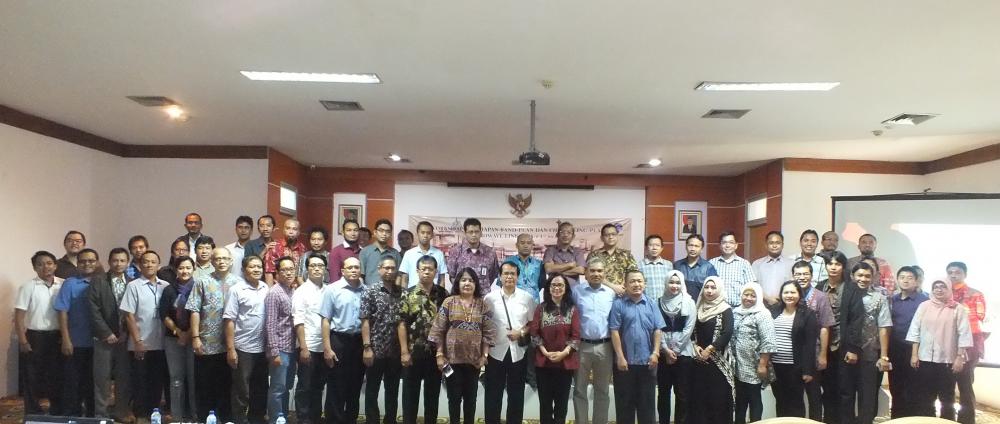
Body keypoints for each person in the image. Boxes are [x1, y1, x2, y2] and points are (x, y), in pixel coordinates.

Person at [428, 268, 496, 424]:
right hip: (451, 361)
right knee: (454, 399)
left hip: (474, 362)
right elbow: (438, 330)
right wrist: (439, 355)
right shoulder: (449, 302)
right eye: (464, 280)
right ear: (457, 283)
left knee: (471, 400)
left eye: (471, 280)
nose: (467, 283)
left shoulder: (482, 305)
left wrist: (484, 356)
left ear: (476, 284)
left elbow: (489, 333)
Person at [186, 247, 242, 421]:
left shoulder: (239, 283)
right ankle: (205, 418)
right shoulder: (202, 281)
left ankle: (226, 418)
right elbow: (194, 310)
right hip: (207, 343)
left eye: (225, 258)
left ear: (231, 261)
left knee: (227, 385)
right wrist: (195, 337)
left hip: (232, 344)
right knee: (205, 385)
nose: (221, 261)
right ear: (212, 261)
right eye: (218, 258)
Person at [907, 279, 974, 421]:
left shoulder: (957, 308)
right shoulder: (924, 306)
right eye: (936, 287)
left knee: (947, 397)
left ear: (949, 289)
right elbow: (915, 330)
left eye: (943, 287)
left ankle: (947, 421)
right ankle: (927, 421)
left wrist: (959, 357)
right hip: (925, 358)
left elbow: (964, 334)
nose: (939, 289)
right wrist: (914, 354)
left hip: (948, 360)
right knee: (926, 395)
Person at [814, 251, 865, 424]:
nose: (833, 267)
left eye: (837, 264)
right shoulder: (819, 286)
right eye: (830, 264)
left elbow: (857, 320)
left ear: (843, 267)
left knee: (846, 390)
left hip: (844, 347)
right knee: (827, 389)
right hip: (823, 348)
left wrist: (853, 349)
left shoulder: (852, 288)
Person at [397, 255, 449, 424]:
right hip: (413, 354)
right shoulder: (407, 293)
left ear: (436, 271)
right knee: (409, 398)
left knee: (432, 398)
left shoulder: (443, 294)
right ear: (417, 271)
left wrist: (442, 353)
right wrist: (404, 352)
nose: (427, 272)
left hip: (435, 355)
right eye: (423, 269)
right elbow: (401, 324)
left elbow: (446, 326)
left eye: (430, 269)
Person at [483, 261, 537, 424]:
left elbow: (533, 323)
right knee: (493, 395)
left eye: (512, 274)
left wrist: (520, 332)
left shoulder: (527, 298)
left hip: (518, 353)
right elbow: (484, 324)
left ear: (517, 277)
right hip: (495, 353)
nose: (509, 277)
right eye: (505, 273)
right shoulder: (489, 298)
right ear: (500, 276)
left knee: (516, 396)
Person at [609, 270, 665, 424]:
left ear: (644, 284)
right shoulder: (618, 304)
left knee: (647, 408)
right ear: (625, 284)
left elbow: (658, 330)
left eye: (639, 281)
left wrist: (656, 353)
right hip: (624, 364)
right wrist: (620, 357)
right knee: (624, 407)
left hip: (648, 363)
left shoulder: (651, 304)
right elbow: (614, 331)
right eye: (632, 281)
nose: (636, 284)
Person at [839, 262, 891, 424]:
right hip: (846, 353)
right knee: (845, 395)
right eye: (860, 275)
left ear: (873, 277)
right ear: (852, 276)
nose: (863, 279)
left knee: (867, 398)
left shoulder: (879, 298)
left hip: (869, 354)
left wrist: (884, 356)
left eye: (867, 276)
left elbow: (884, 327)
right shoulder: (844, 294)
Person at [120, 251, 170, 419]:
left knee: (157, 382)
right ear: (140, 265)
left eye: (153, 262)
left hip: (161, 342)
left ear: (158, 265)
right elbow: (129, 315)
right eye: (146, 262)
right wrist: (137, 341)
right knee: (140, 382)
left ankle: (154, 413)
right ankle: (140, 415)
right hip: (140, 342)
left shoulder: (165, 286)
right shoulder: (133, 286)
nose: (149, 265)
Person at [16, 251, 65, 415]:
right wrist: (23, 340)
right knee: (32, 375)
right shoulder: (28, 287)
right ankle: (33, 411)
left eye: (49, 263)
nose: (45, 267)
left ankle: (57, 408)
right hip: (35, 336)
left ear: (55, 265)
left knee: (56, 374)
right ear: (34, 268)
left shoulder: (63, 284)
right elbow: (19, 316)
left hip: (57, 336)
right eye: (40, 264)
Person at [224, 256, 270, 424]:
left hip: (263, 347)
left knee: (261, 387)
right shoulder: (236, 290)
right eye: (252, 267)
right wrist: (231, 349)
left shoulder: (265, 287)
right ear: (244, 270)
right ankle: (240, 420)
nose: (257, 269)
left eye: (259, 266)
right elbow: (229, 320)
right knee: (241, 389)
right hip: (243, 347)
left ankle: (257, 419)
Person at [529, 275, 581, 424]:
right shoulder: (541, 308)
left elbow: (576, 336)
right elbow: (534, 333)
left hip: (565, 364)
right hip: (544, 363)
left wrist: (564, 353)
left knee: (561, 405)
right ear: (548, 288)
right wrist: (545, 352)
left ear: (566, 288)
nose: (557, 288)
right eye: (553, 285)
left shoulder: (572, 310)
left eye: (560, 285)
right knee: (545, 405)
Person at [321, 257, 367, 424]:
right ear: (342, 271)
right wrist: (327, 348)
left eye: (356, 267)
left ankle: (351, 419)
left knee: (355, 385)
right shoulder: (332, 289)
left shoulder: (366, 290)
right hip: (338, 341)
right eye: (350, 267)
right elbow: (325, 320)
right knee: (336, 386)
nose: (354, 270)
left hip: (359, 342)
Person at [89, 248, 132, 420]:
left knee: (124, 378)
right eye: (115, 260)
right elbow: (93, 309)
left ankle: (121, 411)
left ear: (127, 262)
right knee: (102, 378)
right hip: (103, 338)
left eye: (122, 260)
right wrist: (106, 333)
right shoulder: (98, 281)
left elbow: (134, 312)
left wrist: (126, 333)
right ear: (109, 262)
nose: (118, 264)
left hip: (125, 338)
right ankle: (101, 414)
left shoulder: (132, 282)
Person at [55, 248, 98, 417]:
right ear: (77, 264)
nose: (87, 264)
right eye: (83, 261)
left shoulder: (102, 282)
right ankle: (72, 414)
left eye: (91, 260)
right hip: (76, 342)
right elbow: (62, 311)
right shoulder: (70, 283)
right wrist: (66, 339)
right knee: (73, 382)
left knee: (94, 382)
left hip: (98, 343)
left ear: (97, 263)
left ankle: (93, 414)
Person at [572, 258, 616, 424]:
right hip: (582, 346)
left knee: (602, 390)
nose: (596, 274)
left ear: (604, 273)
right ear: (586, 273)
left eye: (599, 271)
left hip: (605, 346)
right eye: (592, 270)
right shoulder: (576, 291)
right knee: (579, 389)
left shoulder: (611, 293)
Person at [361, 254, 404, 424]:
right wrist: (367, 347)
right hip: (375, 349)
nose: (389, 271)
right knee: (372, 390)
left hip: (395, 351)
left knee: (392, 391)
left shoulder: (401, 292)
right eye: (386, 268)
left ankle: (390, 420)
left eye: (393, 268)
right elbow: (365, 320)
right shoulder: (370, 291)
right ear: (379, 269)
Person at [790, 261, 835, 421]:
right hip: (793, 354)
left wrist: (823, 354)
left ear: (811, 275)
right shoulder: (790, 295)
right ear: (793, 276)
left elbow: (825, 327)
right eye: (798, 274)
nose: (802, 277)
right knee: (795, 397)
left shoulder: (821, 297)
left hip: (813, 353)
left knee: (814, 395)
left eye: (805, 274)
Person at [769, 280, 819, 418]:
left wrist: (808, 370)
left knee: (796, 402)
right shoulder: (774, 311)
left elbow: (810, 344)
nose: (789, 295)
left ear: (799, 294)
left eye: (793, 292)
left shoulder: (808, 314)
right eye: (786, 292)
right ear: (781, 294)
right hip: (776, 365)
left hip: (796, 367)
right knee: (780, 400)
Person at [689, 276, 734, 424]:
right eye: (707, 287)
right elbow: (691, 331)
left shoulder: (725, 309)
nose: (709, 291)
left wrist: (710, 349)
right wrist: (695, 346)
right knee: (700, 399)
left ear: (719, 289)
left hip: (718, 362)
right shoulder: (698, 307)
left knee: (717, 400)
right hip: (699, 361)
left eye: (713, 287)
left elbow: (727, 333)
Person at [730, 283, 775, 424]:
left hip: (753, 365)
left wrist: (762, 365)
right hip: (737, 365)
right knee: (740, 401)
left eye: (753, 295)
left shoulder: (763, 314)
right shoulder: (735, 312)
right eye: (746, 294)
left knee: (754, 399)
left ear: (759, 297)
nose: (748, 298)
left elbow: (768, 341)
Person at [160, 256, 198, 421]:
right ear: (176, 270)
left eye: (188, 268)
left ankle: (195, 415)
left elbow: (201, 313)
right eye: (181, 268)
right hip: (173, 339)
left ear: (194, 269)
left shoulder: (198, 287)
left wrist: (188, 334)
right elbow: (163, 315)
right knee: (176, 379)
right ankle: (177, 416)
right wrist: (178, 332)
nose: (185, 271)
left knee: (193, 378)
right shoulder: (169, 290)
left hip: (194, 338)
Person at [887, 266, 928, 418]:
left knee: (914, 387)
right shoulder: (892, 300)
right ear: (897, 280)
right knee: (895, 385)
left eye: (910, 278)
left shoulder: (924, 301)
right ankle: (896, 418)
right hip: (895, 348)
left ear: (916, 281)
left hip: (915, 350)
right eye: (902, 277)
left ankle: (912, 418)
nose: (905, 280)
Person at [293, 254, 329, 424]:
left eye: (320, 265)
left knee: (319, 386)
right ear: (307, 269)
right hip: (308, 346)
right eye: (313, 265)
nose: (316, 268)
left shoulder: (329, 290)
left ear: (325, 269)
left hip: (325, 347)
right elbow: (298, 321)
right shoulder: (301, 291)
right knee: (304, 386)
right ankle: (303, 419)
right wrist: (303, 348)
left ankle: (315, 417)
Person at [947, 261, 985, 424]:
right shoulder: (943, 293)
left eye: (957, 272)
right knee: (946, 387)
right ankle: (947, 419)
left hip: (969, 348)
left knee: (965, 386)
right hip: (947, 347)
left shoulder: (975, 294)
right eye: (950, 272)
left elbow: (980, 321)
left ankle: (967, 421)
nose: (953, 275)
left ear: (965, 274)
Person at [656, 270, 695, 424]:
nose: (674, 286)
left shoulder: (689, 302)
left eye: (678, 283)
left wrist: (676, 350)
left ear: (682, 284)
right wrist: (666, 350)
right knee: (663, 393)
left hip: (683, 354)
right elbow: (657, 328)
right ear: (666, 283)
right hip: (663, 353)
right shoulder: (658, 302)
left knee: (682, 394)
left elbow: (689, 329)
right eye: (671, 282)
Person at [266, 256, 298, 424]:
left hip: (292, 347)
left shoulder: (292, 290)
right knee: (278, 388)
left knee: (287, 386)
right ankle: (274, 419)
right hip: (280, 349)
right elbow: (270, 324)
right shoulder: (274, 293)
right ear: (277, 273)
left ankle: (282, 417)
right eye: (284, 270)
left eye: (291, 269)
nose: (289, 273)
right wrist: (274, 352)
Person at [447, 218, 500, 294]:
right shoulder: (455, 251)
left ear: (481, 233)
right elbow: (452, 276)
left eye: (476, 232)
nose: (474, 235)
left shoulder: (490, 252)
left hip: (482, 296)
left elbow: (492, 275)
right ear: (465, 233)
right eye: (470, 232)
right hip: (461, 296)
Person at [709, 231, 757, 307]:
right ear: (720, 245)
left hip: (739, 308)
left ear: (736, 245)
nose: (727, 245)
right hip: (717, 308)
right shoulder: (712, 263)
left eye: (731, 242)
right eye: (724, 243)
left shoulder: (744, 263)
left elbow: (752, 287)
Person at [586, 223, 638, 293]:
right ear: (602, 238)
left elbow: (634, 274)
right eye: (607, 235)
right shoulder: (594, 255)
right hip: (599, 293)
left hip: (622, 293)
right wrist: (613, 287)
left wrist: (623, 287)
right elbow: (589, 275)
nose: (610, 237)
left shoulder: (626, 254)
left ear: (617, 236)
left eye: (613, 234)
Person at [399, 221, 448, 287]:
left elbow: (442, 280)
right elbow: (404, 279)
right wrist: (404, 293)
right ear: (417, 234)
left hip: (433, 292)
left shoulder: (439, 254)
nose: (425, 236)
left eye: (428, 233)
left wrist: (441, 293)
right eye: (422, 232)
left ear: (432, 235)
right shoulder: (408, 254)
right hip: (413, 292)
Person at [752, 231, 792, 307]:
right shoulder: (757, 264)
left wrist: (780, 298)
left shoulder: (791, 264)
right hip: (762, 306)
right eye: (771, 243)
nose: (774, 246)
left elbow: (793, 286)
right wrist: (768, 299)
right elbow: (754, 285)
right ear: (766, 245)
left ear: (782, 245)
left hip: (785, 306)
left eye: (778, 243)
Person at [543, 222, 587, 288]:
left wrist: (555, 270)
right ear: (557, 235)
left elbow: (581, 270)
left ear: (573, 236)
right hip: (555, 290)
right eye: (562, 232)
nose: (565, 235)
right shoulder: (550, 251)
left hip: (573, 291)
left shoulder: (578, 252)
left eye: (569, 232)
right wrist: (570, 265)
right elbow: (548, 269)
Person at [673, 234, 718, 299]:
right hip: (680, 303)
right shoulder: (677, 265)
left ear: (701, 249)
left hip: (701, 304)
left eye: (696, 246)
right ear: (686, 247)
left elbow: (714, 290)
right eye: (690, 245)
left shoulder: (708, 267)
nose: (693, 249)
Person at [360, 219, 401, 287]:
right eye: (381, 230)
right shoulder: (365, 252)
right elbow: (361, 276)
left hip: (389, 291)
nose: (384, 234)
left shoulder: (395, 253)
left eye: (387, 231)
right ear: (375, 232)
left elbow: (399, 275)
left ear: (391, 234)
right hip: (369, 291)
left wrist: (397, 290)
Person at [264, 218, 306, 285]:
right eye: (288, 228)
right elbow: (268, 272)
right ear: (283, 230)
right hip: (279, 287)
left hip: (298, 288)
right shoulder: (275, 246)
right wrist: (271, 290)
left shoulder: (302, 248)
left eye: (294, 229)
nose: (291, 232)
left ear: (298, 232)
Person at [503, 233, 544, 300]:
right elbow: (502, 282)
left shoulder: (539, 264)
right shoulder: (508, 262)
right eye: (522, 243)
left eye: (529, 243)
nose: (525, 246)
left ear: (532, 245)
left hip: (533, 302)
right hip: (513, 301)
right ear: (517, 245)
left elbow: (541, 284)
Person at [638, 234, 673, 300]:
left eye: (657, 245)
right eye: (651, 245)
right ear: (646, 247)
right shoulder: (639, 266)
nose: (654, 248)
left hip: (664, 303)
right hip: (646, 303)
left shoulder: (669, 265)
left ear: (662, 248)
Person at [226, 216, 254, 281]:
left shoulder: (255, 248)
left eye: (246, 227)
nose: (243, 230)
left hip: (252, 285)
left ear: (251, 230)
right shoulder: (227, 249)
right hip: (232, 285)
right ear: (236, 229)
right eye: (240, 227)